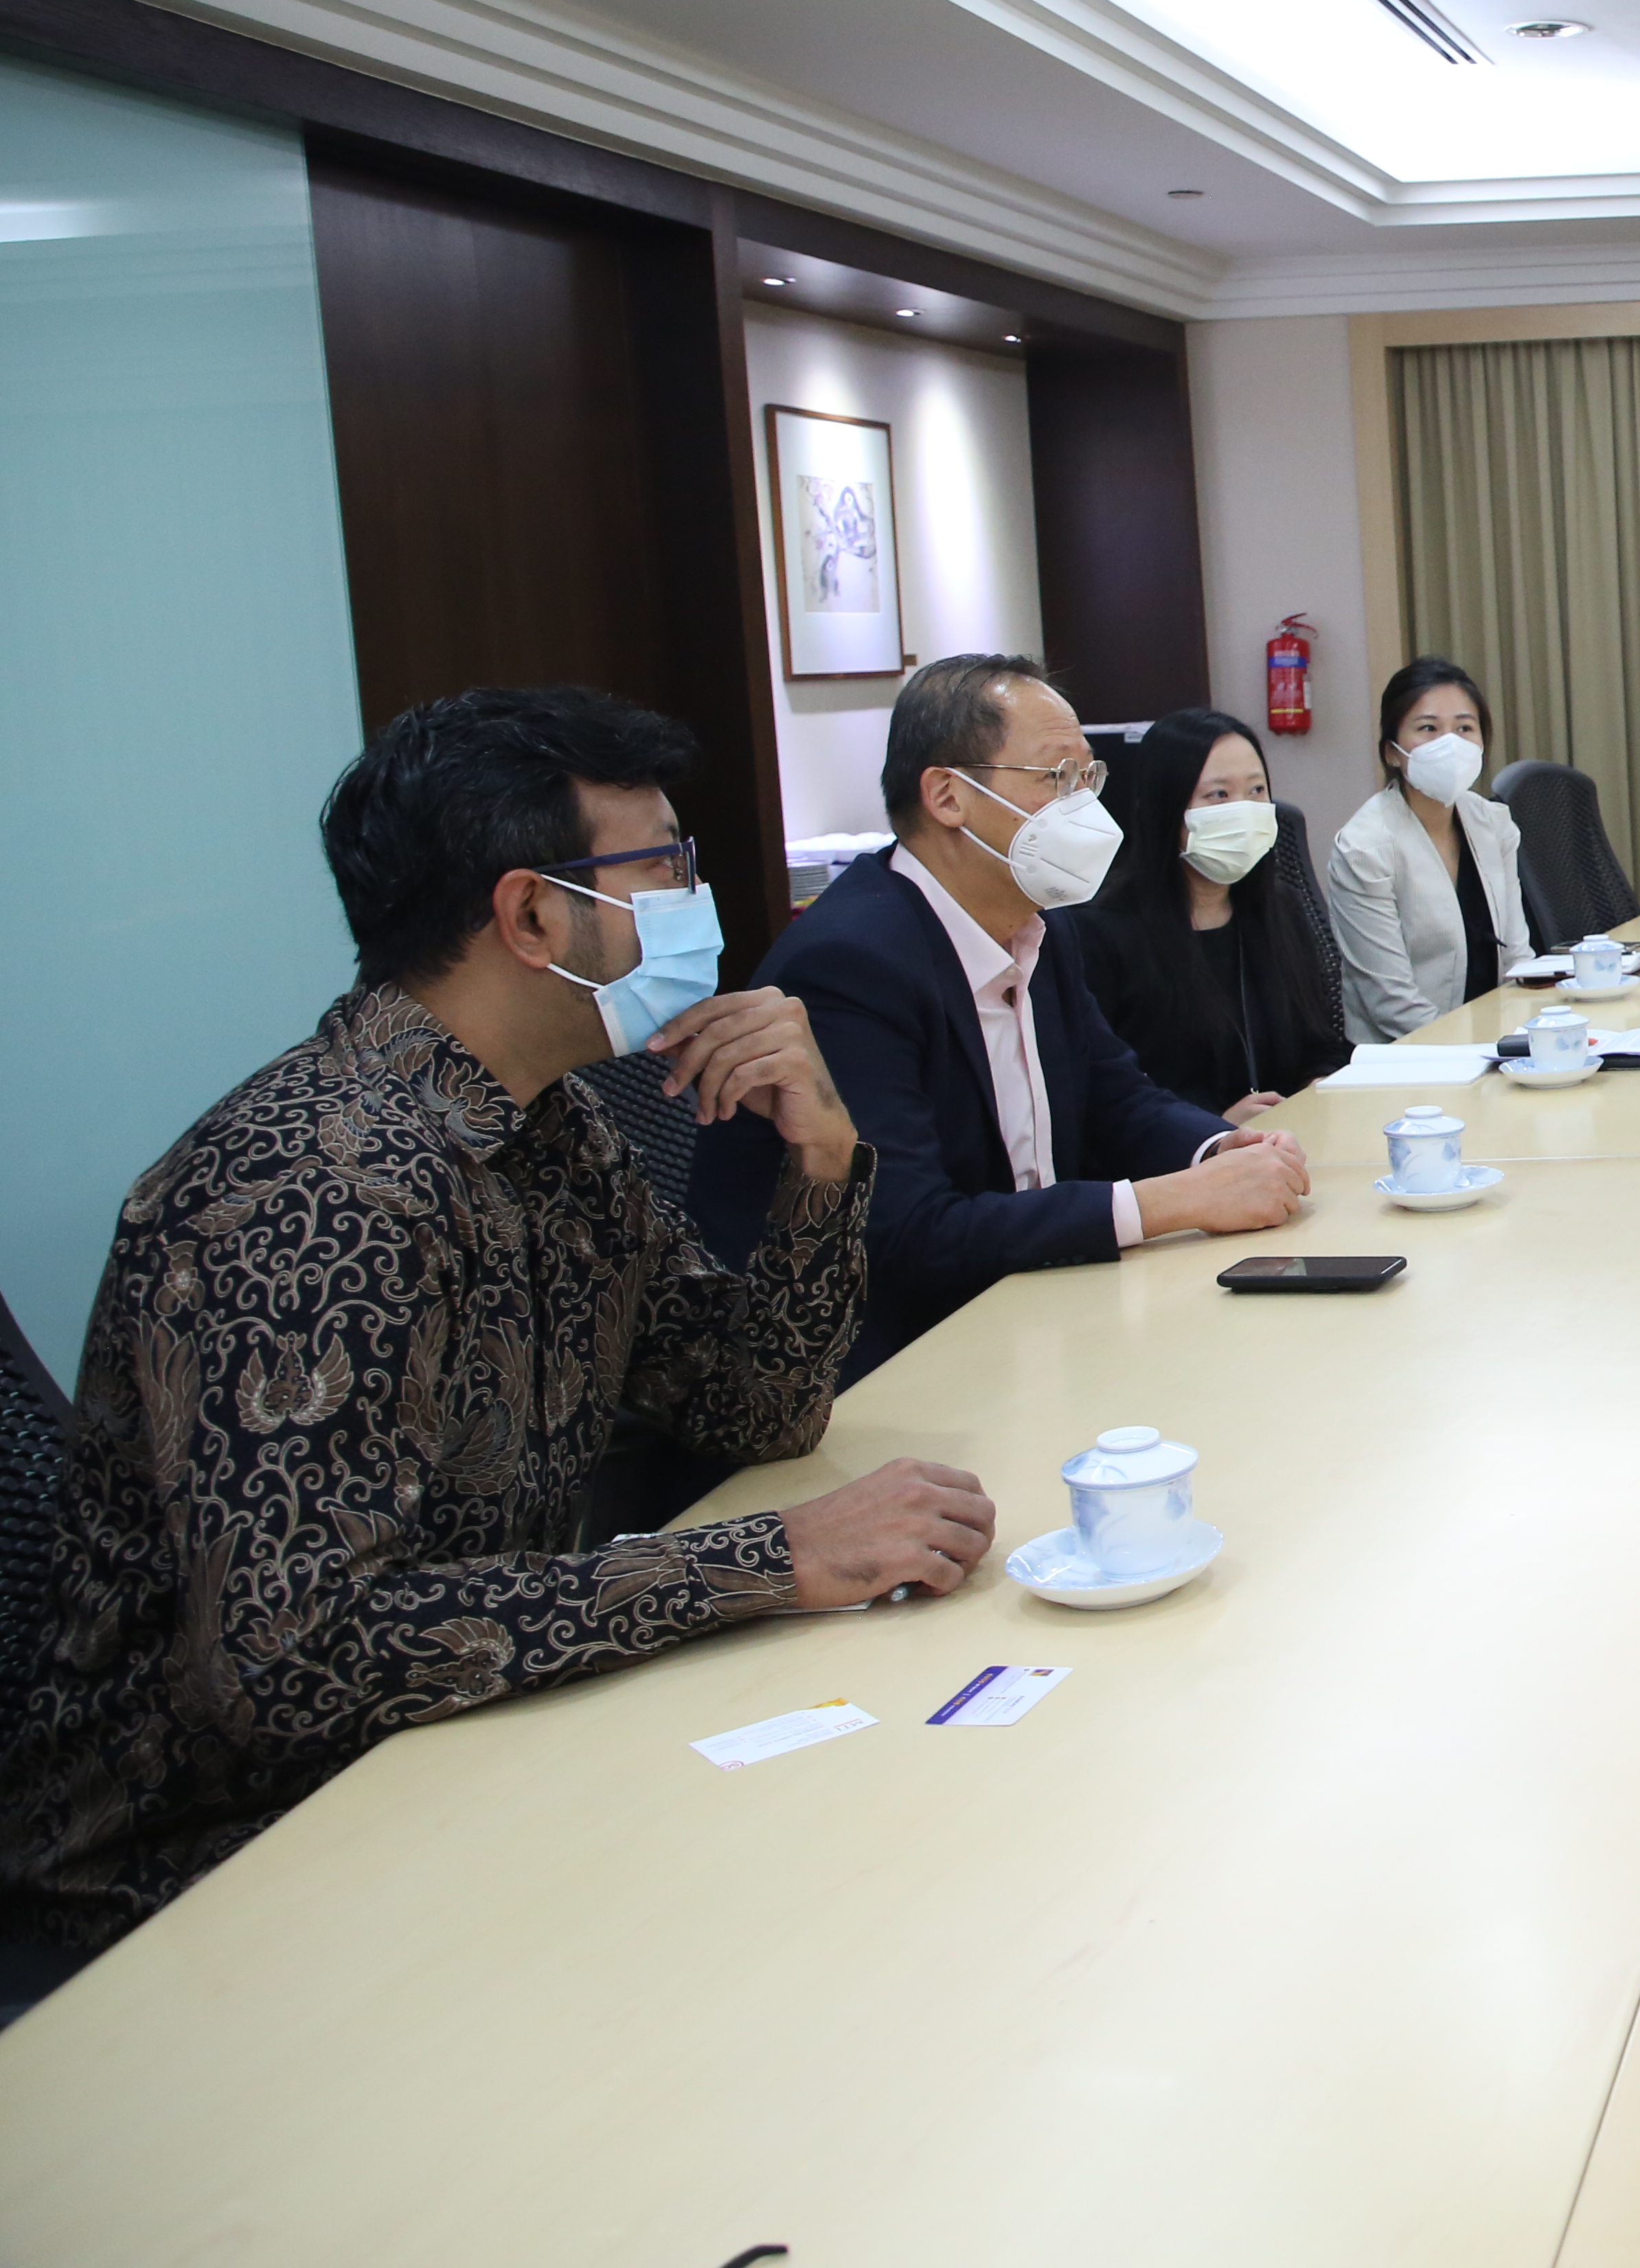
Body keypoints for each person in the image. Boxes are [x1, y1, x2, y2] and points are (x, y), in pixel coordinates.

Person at [2, 688, 996, 1950]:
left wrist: (821, 1168)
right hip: (208, 1869)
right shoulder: (311, 1194)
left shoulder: (547, 1119)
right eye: (665, 867)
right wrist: (762, 1560)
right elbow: (295, 1663)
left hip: (458, 1746)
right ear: (531, 914)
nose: (698, 901)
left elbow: (756, 1407)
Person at [712, 655, 1310, 1382]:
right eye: (1057, 779)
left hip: (1039, 1313)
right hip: (899, 1364)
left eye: (1089, 780)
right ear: (947, 795)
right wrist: (1166, 1202)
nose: (1083, 807)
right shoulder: (850, 966)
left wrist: (1220, 1150)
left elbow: (1115, 1094)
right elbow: (909, 1233)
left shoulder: (1041, 926)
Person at [1064, 707, 1354, 1122]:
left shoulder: (1281, 907)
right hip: (1184, 1164)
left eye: (1256, 791)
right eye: (1219, 795)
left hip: (1293, 1143)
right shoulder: (1101, 932)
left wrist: (1317, 1085)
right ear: (1166, 808)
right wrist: (1215, 1128)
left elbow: (1322, 1043)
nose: (1245, 809)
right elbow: (1109, 1094)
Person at [1325, 656, 1530, 1044]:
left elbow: (1518, 959)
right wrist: (1479, 1055)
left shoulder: (1493, 824)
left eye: (1465, 728)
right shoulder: (1365, 848)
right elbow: (1392, 1004)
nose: (1449, 743)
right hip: (1411, 1060)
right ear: (1391, 752)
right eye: (1428, 728)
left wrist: (1534, 1036)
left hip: (1499, 1046)